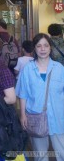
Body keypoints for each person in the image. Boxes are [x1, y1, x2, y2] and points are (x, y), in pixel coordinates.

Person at [16, 33, 64, 161]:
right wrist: (22, 115)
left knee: (62, 152)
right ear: (35, 49)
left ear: (50, 48)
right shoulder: (27, 69)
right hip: (35, 116)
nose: (42, 49)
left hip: (58, 117)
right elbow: (23, 94)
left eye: (46, 46)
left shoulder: (59, 68)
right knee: (40, 155)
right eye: (39, 46)